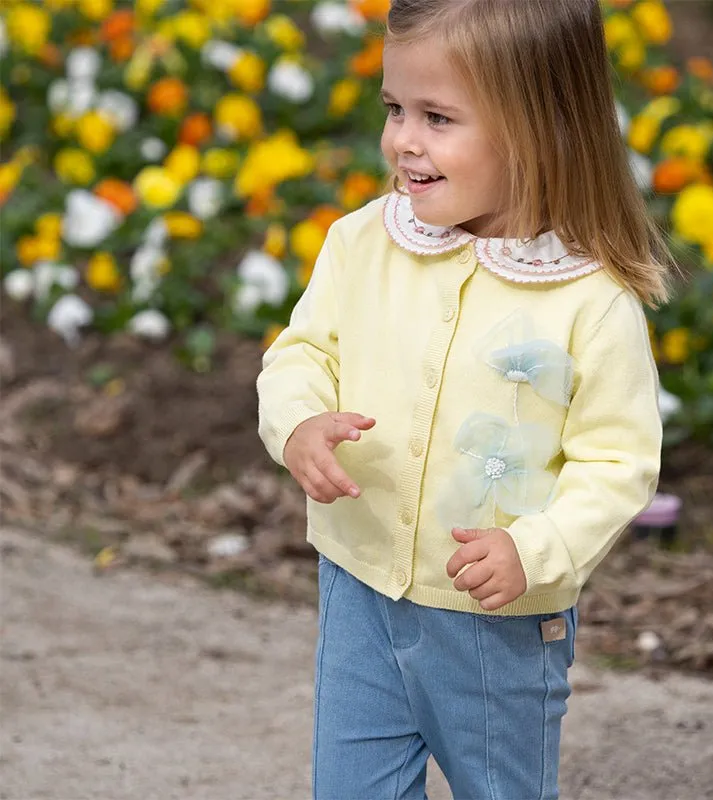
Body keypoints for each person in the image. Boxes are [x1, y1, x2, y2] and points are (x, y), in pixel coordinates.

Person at [257, 1, 674, 797]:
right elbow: (304, 352)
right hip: (359, 588)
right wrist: (300, 422)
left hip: (499, 620)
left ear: (540, 129)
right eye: (395, 108)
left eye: (438, 116)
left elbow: (618, 462)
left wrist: (537, 549)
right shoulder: (363, 243)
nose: (404, 139)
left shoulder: (588, 301)